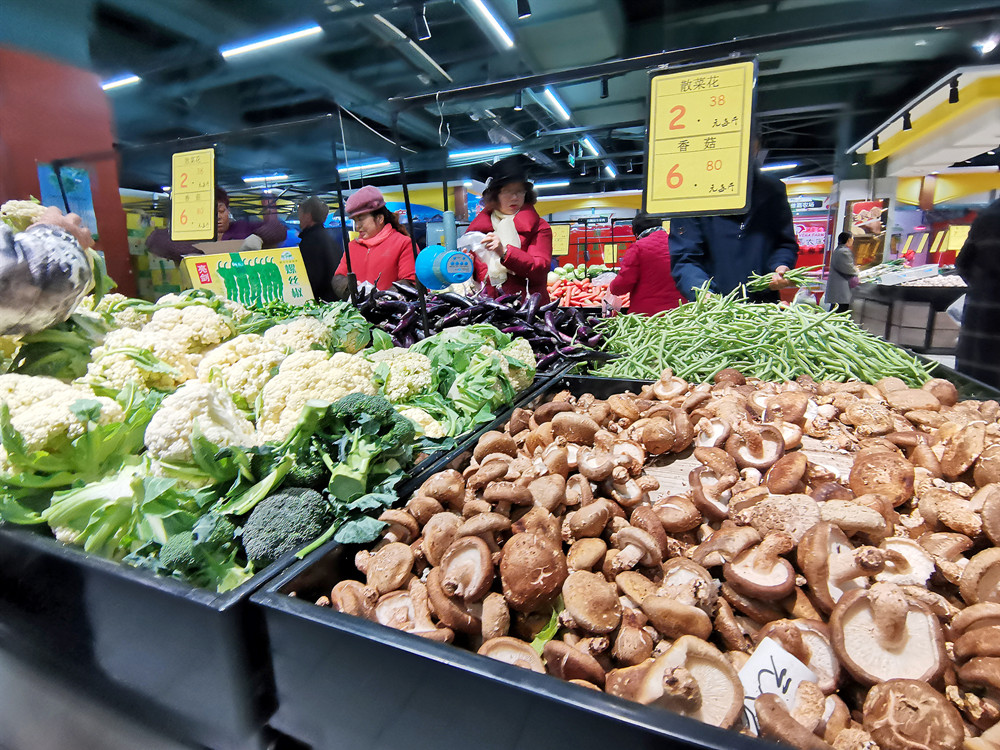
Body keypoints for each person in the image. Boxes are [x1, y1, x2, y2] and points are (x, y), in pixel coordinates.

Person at [669, 166, 799, 302]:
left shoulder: (772, 190)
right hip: (713, 306)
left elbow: (784, 243)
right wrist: (704, 294)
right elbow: (685, 258)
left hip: (763, 305)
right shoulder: (691, 192)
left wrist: (781, 265)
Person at [465, 156, 553, 302]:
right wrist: (468, 265)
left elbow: (540, 269)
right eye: (507, 191)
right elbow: (480, 277)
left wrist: (505, 253)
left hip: (527, 309)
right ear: (495, 195)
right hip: (490, 307)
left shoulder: (539, 227)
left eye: (520, 191)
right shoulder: (477, 231)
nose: (514, 197)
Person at [146, 187, 287, 262]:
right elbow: (154, 240)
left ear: (228, 211)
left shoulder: (242, 228)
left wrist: (258, 237)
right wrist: (194, 249)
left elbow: (278, 228)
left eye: (221, 210)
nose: (218, 217)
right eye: (211, 213)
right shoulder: (191, 234)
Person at [331, 185, 416, 296]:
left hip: (391, 311)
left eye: (360, 219)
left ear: (379, 218)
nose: (357, 227)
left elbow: (410, 282)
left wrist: (380, 300)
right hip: (357, 312)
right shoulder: (352, 247)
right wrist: (349, 286)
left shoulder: (403, 243)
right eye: (355, 221)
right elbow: (338, 278)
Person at [956, 197, 1000, 388]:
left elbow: (963, 263)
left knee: (971, 402)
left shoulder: (992, 211)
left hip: (979, 332)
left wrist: (986, 289)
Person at [606, 212, 685, 315]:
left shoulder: (638, 248)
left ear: (636, 234)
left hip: (648, 316)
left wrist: (612, 287)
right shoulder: (679, 244)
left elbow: (622, 285)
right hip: (681, 313)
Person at [296, 196, 343, 302]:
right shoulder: (328, 237)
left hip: (322, 303)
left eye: (300, 214)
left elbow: (311, 278)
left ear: (308, 216)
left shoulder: (310, 241)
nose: (299, 219)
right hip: (335, 299)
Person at [824, 231, 859, 313]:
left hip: (837, 290)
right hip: (841, 290)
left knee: (834, 311)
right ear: (848, 240)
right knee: (840, 312)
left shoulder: (837, 250)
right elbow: (848, 268)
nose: (853, 241)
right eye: (852, 239)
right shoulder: (844, 251)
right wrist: (856, 271)